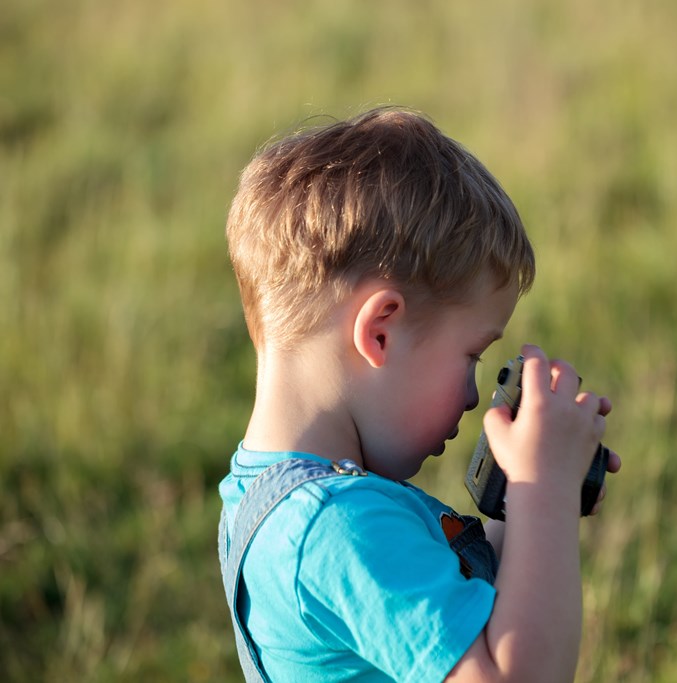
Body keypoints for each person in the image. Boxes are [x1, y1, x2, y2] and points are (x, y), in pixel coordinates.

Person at [217, 106, 621, 683]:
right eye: (471, 356)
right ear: (381, 330)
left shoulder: (273, 499)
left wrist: (524, 500)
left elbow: (485, 625)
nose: (471, 394)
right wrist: (546, 487)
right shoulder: (336, 530)